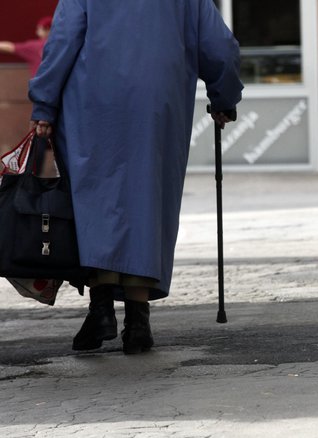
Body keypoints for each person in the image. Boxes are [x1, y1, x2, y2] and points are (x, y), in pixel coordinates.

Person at [28, 0, 243, 354]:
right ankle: (138, 322)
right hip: (158, 104)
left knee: (96, 200)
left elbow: (63, 41)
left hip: (92, 102)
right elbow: (219, 46)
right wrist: (223, 96)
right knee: (147, 199)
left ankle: (101, 311)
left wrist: (44, 103)